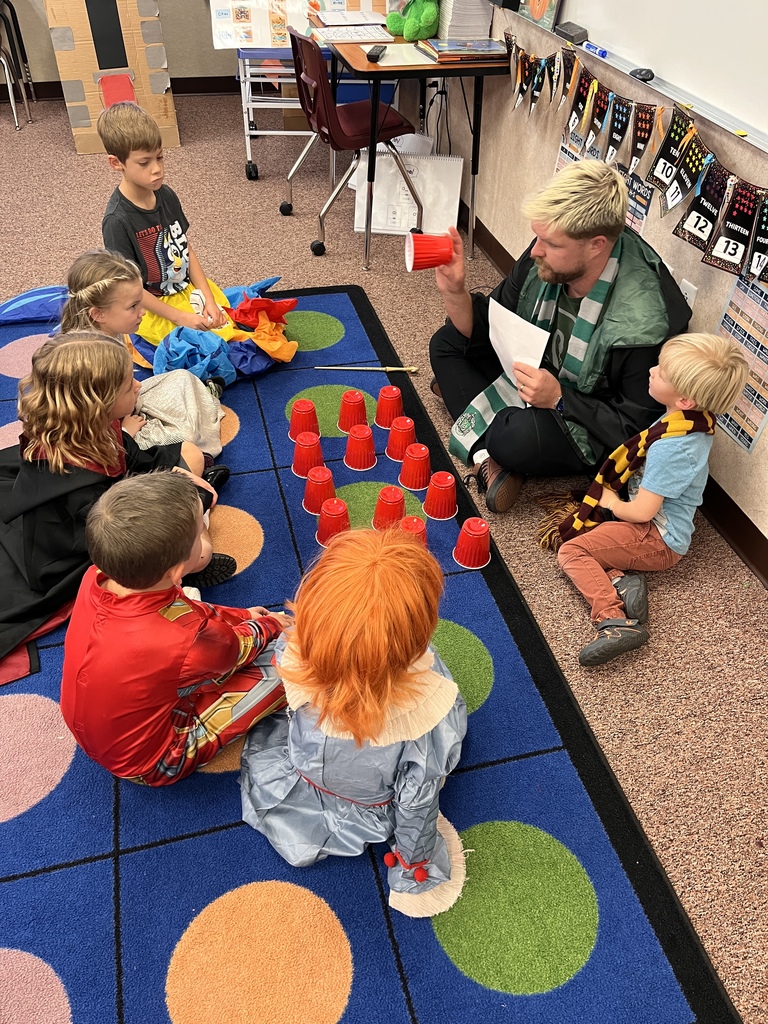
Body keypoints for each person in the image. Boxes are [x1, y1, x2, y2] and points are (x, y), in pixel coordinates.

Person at [429, 161, 692, 513]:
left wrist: (559, 398)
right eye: (538, 237)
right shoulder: (547, 255)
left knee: (514, 437)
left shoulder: (643, 321)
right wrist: (455, 292)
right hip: (533, 373)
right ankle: (485, 456)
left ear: (596, 245)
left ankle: (479, 418)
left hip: (581, 417)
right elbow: (495, 324)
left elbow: (633, 430)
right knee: (445, 342)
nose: (535, 250)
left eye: (550, 243)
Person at [240, 529, 468, 918]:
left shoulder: (290, 650)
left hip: (301, 771)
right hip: (368, 803)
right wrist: (416, 870)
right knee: (437, 687)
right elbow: (416, 800)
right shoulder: (422, 722)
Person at [0, 334, 234, 663]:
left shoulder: (95, 426)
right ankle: (192, 543)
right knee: (201, 553)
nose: (138, 386)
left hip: (118, 497)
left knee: (190, 454)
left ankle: (195, 517)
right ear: (98, 403)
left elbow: (132, 461)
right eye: (128, 386)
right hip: (90, 546)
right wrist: (185, 495)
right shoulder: (74, 482)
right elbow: (122, 529)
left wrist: (174, 475)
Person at [60, 472, 289, 785]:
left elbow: (185, 611)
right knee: (290, 667)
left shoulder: (97, 577)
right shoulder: (184, 637)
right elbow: (233, 650)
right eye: (201, 531)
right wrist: (270, 624)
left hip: (106, 726)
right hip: (152, 761)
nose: (204, 533)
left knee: (199, 645)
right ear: (179, 568)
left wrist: (240, 616)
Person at [552, 333, 749, 666]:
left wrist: (613, 503)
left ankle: (612, 620)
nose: (652, 370)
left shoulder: (671, 447)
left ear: (685, 399)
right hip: (657, 530)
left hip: (658, 539)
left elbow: (643, 512)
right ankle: (622, 581)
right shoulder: (685, 422)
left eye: (662, 371)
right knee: (591, 533)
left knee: (571, 550)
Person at [61, 249, 228, 462]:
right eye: (133, 306)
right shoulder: (87, 358)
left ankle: (202, 402)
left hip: (127, 406)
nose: (142, 312)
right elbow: (84, 430)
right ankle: (197, 450)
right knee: (183, 433)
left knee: (181, 377)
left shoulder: (109, 333)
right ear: (98, 313)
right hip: (111, 437)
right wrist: (124, 433)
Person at [96, 102, 233, 346]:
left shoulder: (166, 194)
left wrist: (208, 298)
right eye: (144, 162)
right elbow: (129, 287)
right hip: (149, 305)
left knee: (226, 329)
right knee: (197, 346)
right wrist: (180, 317)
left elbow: (185, 248)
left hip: (185, 291)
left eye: (160, 157)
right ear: (116, 163)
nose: (157, 169)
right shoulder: (116, 221)